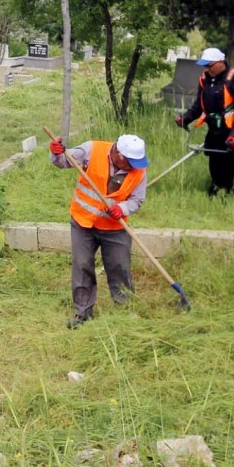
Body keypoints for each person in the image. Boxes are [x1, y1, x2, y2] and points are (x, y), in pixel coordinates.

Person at [49, 133, 149, 329]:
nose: (135, 167)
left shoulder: (139, 171)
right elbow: (63, 161)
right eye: (131, 162)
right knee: (82, 265)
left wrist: (123, 208)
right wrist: (56, 154)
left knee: (119, 267)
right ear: (119, 154)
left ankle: (125, 312)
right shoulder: (92, 150)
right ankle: (83, 313)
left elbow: (137, 200)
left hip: (114, 228)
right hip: (83, 223)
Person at [176, 47, 234, 196]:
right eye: (204, 65)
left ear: (220, 63)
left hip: (232, 130)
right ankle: (215, 188)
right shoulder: (205, 79)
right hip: (214, 129)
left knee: (228, 164)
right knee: (214, 162)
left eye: (209, 65)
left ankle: (227, 192)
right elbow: (199, 105)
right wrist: (185, 119)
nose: (206, 69)